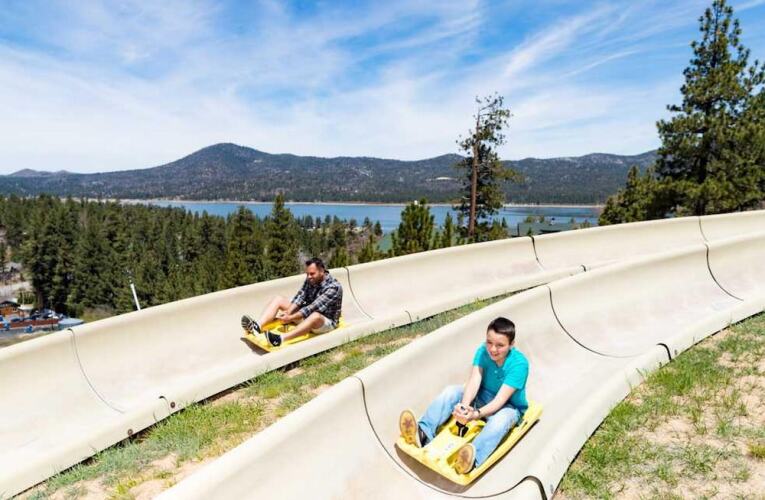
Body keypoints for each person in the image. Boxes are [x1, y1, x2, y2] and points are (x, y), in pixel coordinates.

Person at [399, 317, 528, 474]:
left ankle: (471, 459)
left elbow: (500, 400)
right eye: (489, 342)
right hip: (481, 396)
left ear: (511, 345)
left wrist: (475, 415)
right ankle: (423, 432)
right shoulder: (483, 351)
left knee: (500, 420)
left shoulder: (519, 364)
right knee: (451, 391)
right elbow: (474, 380)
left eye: (500, 345)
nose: (492, 349)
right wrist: (464, 407)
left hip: (507, 406)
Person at [241, 257, 342, 347]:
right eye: (307, 274)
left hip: (324, 322)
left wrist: (290, 318)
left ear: (322, 271)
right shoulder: (311, 280)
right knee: (279, 299)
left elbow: (312, 308)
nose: (309, 277)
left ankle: (280, 339)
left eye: (312, 274)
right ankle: (257, 326)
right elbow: (300, 297)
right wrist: (288, 312)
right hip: (307, 316)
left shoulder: (333, 287)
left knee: (315, 315)